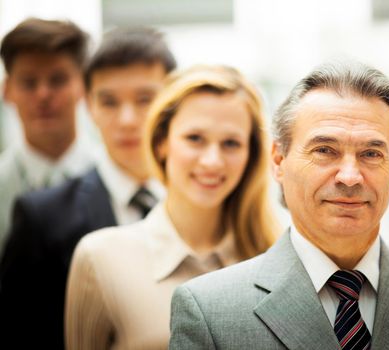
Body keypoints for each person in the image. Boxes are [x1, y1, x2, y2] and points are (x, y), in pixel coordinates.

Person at [169, 60, 389, 349]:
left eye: (371, 154)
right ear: (279, 161)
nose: (350, 176)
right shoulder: (210, 313)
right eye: (325, 150)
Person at [65, 64, 279, 349]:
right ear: (162, 142)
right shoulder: (100, 258)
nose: (212, 161)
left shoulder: (281, 248)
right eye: (195, 139)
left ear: (250, 154)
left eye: (231, 143)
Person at [0, 27, 175, 349]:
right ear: (89, 103)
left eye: (145, 99)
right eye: (108, 101)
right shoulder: (41, 216)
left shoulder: (205, 199)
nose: (126, 120)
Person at [0, 18, 92, 257]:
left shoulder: (117, 180)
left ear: (83, 85)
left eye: (58, 80)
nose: (43, 95)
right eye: (29, 82)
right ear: (7, 90)